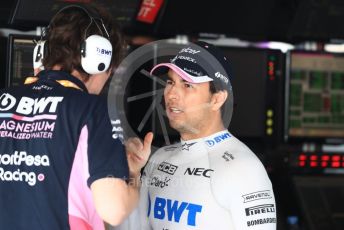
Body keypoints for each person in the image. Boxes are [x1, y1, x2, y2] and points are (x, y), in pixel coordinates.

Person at [0, 4, 151, 230]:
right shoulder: (94, 111)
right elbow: (114, 209)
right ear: (100, 60)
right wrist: (133, 177)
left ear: (41, 54)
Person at [120, 41, 277, 229]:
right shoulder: (159, 159)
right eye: (170, 81)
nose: (171, 94)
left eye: (187, 85)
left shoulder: (244, 168)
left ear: (217, 98)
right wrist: (132, 174)